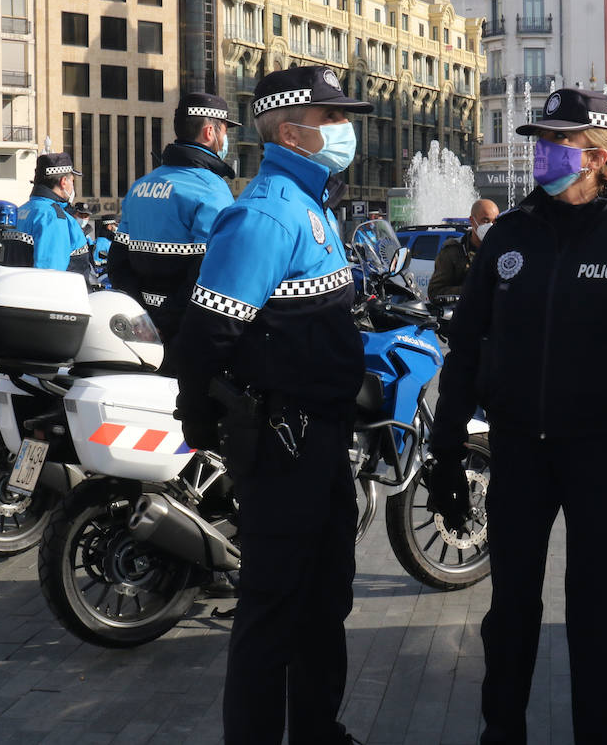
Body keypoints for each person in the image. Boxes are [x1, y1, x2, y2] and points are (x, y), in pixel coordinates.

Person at [427, 88, 607, 744]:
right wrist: (445, 451)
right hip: (520, 456)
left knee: (594, 627)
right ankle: (500, 732)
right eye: (540, 141)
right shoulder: (508, 236)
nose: (542, 153)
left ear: (597, 157)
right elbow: (466, 348)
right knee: (509, 617)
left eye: (556, 143)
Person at [172, 65, 372, 744]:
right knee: (272, 613)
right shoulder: (263, 216)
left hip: (319, 442)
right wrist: (203, 418)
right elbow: (207, 335)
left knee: (325, 600)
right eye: (333, 119)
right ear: (291, 131)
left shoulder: (312, 206)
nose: (346, 130)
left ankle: (318, 731)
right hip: (284, 445)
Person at [109, 93, 238, 354]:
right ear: (210, 132)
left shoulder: (140, 186)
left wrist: (142, 318)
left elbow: (118, 263)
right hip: (184, 333)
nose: (226, 141)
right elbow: (209, 271)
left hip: (140, 330)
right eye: (225, 132)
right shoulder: (213, 190)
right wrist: (165, 324)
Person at [16, 153, 92, 271]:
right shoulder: (53, 217)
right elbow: (51, 274)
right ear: (63, 182)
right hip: (59, 288)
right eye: (72, 181)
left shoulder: (20, 211)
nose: (73, 186)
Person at [427, 198, 499, 300]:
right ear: (472, 221)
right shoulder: (453, 251)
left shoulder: (503, 250)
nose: (490, 226)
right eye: (485, 221)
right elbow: (435, 292)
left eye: (494, 222)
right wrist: (469, 289)